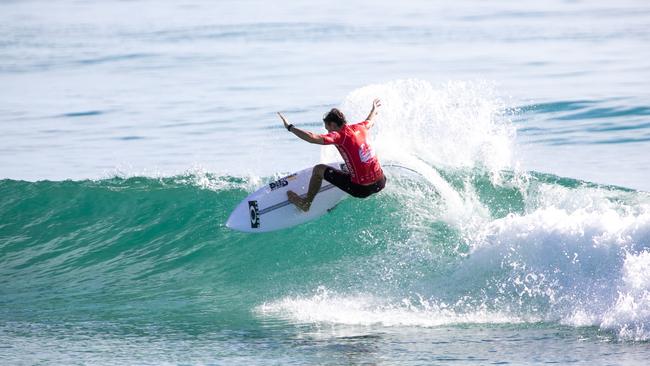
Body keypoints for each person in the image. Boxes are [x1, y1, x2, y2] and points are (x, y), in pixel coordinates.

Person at [277, 99, 386, 212]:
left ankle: (306, 203)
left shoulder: (339, 136)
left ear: (333, 125)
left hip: (362, 189)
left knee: (318, 169)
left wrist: (290, 127)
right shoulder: (361, 127)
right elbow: (370, 120)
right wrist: (374, 109)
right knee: (350, 164)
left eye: (327, 128)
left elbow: (312, 137)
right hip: (381, 182)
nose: (328, 132)